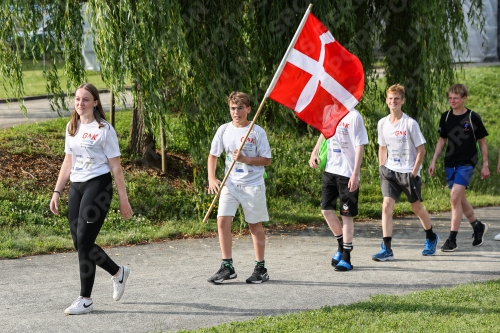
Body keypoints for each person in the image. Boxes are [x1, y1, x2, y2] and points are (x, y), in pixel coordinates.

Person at [50, 83, 133, 315]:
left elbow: (116, 168)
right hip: (77, 185)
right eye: (77, 99)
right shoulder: (72, 126)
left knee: (84, 242)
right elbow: (68, 161)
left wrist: (123, 200)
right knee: (79, 243)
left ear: (95, 102)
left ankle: (85, 299)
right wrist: (57, 191)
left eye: (86, 99)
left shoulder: (104, 129)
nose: (80, 104)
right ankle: (118, 272)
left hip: (98, 185)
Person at [207, 91, 272, 284]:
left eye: (240, 108)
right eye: (233, 108)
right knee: (222, 222)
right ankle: (227, 266)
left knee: (254, 226)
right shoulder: (224, 130)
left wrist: (246, 159)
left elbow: (266, 160)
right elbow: (213, 156)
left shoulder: (256, 132)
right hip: (230, 184)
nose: (236, 112)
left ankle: (260, 268)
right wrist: (212, 178)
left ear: (248, 109)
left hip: (253, 185)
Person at [373, 84, 439, 261]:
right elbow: (382, 147)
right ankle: (387, 248)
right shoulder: (382, 123)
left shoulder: (410, 123)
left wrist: (414, 172)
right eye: (390, 99)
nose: (393, 102)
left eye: (396, 99)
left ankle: (431, 237)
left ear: (402, 101)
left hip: (409, 173)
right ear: (386, 101)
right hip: (390, 172)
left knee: (417, 209)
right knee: (387, 205)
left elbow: (421, 150)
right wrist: (382, 167)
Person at [428, 83, 489, 251]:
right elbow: (442, 140)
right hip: (450, 163)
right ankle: (477, 226)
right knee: (460, 199)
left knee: (454, 197)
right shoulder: (446, 117)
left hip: (467, 163)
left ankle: (452, 239)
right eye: (450, 98)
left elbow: (482, 142)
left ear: (464, 98)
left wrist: (485, 164)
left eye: (456, 98)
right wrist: (433, 161)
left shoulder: (472, 117)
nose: (452, 101)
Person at [309, 105, 368, 271]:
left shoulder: (354, 116)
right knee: (326, 210)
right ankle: (342, 245)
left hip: (347, 172)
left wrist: (355, 174)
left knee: (346, 215)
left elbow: (360, 145)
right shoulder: (329, 110)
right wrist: (314, 152)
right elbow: (324, 131)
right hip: (330, 169)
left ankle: (347, 258)